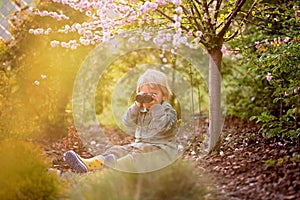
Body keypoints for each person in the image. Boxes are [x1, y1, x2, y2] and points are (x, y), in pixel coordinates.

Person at [64, 69, 178, 173]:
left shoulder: (168, 111)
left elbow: (162, 127)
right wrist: (136, 105)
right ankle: (89, 164)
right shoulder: (142, 110)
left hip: (162, 152)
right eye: (144, 94)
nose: (149, 97)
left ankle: (113, 168)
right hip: (139, 147)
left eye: (153, 94)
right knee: (117, 150)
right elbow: (127, 122)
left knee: (138, 156)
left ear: (164, 95)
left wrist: (156, 107)